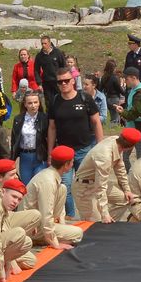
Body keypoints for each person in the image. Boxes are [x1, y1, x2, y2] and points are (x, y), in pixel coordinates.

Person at [47, 66, 104, 218]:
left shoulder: (85, 98)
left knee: (86, 186)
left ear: (73, 81)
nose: (63, 84)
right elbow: (52, 128)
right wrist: (50, 153)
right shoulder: (54, 101)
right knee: (65, 187)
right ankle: (71, 217)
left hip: (84, 149)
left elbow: (96, 122)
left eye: (66, 80)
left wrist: (100, 147)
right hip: (64, 152)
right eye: (60, 82)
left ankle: (89, 217)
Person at [72, 128, 140, 223]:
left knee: (126, 200)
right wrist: (104, 213)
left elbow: (120, 168)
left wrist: (127, 190)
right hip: (84, 188)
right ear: (130, 147)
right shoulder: (105, 156)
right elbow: (100, 187)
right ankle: (102, 221)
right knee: (93, 225)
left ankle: (107, 222)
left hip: (96, 182)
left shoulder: (116, 141)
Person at [23, 146, 85, 250]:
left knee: (63, 188)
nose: (73, 164)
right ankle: (36, 239)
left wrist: (62, 227)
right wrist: (54, 242)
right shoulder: (48, 181)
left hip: (39, 223)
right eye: (72, 162)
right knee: (77, 234)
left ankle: (47, 235)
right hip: (31, 227)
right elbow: (46, 214)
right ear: (66, 164)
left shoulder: (51, 176)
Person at [10, 91, 48, 184]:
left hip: (39, 156)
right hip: (25, 156)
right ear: (25, 104)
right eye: (30, 103)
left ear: (39, 103)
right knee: (26, 185)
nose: (33, 105)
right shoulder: (18, 119)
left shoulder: (44, 118)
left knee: (38, 184)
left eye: (36, 102)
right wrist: (12, 159)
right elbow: (14, 140)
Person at [34, 35, 68, 111]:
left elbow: (64, 66)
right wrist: (39, 83)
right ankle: (49, 119)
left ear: (49, 43)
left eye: (45, 43)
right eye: (42, 43)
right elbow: (36, 70)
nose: (43, 45)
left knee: (61, 99)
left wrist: (64, 78)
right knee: (49, 102)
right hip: (46, 83)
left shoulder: (58, 53)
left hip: (58, 81)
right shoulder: (39, 56)